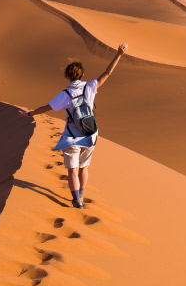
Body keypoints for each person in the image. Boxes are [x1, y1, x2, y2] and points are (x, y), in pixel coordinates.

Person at [23, 43, 128, 208]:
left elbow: (45, 108)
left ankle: (76, 200)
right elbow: (107, 73)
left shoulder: (65, 95)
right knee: (83, 168)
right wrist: (119, 54)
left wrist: (29, 114)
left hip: (71, 136)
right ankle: (81, 195)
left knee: (72, 170)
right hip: (90, 134)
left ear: (68, 76)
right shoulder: (90, 87)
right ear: (82, 74)